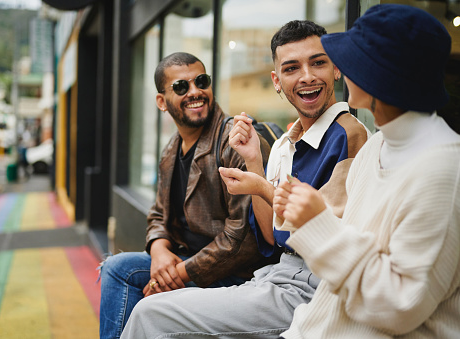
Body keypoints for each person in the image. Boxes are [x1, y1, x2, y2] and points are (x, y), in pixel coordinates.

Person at [120, 20, 370, 339]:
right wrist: (254, 161)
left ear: (337, 69)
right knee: (139, 290)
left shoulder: (349, 134)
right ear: (276, 81)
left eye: (318, 62)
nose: (307, 76)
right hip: (274, 276)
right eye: (292, 68)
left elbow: (330, 241)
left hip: (314, 286)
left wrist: (263, 187)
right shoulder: (282, 145)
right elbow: (269, 235)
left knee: (149, 312)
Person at [276, 5, 460, 338]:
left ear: (379, 76)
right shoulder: (378, 146)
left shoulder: (443, 170)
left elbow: (399, 306)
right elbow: (344, 274)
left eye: (351, 59)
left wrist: (318, 224)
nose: (340, 69)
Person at [99, 52, 275, 339]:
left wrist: (177, 273)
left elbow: (243, 238)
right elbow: (158, 213)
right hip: (187, 261)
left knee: (150, 301)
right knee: (116, 268)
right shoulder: (172, 148)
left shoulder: (235, 141)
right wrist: (158, 252)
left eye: (201, 81)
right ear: (161, 102)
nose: (195, 92)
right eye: (181, 87)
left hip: (234, 275)